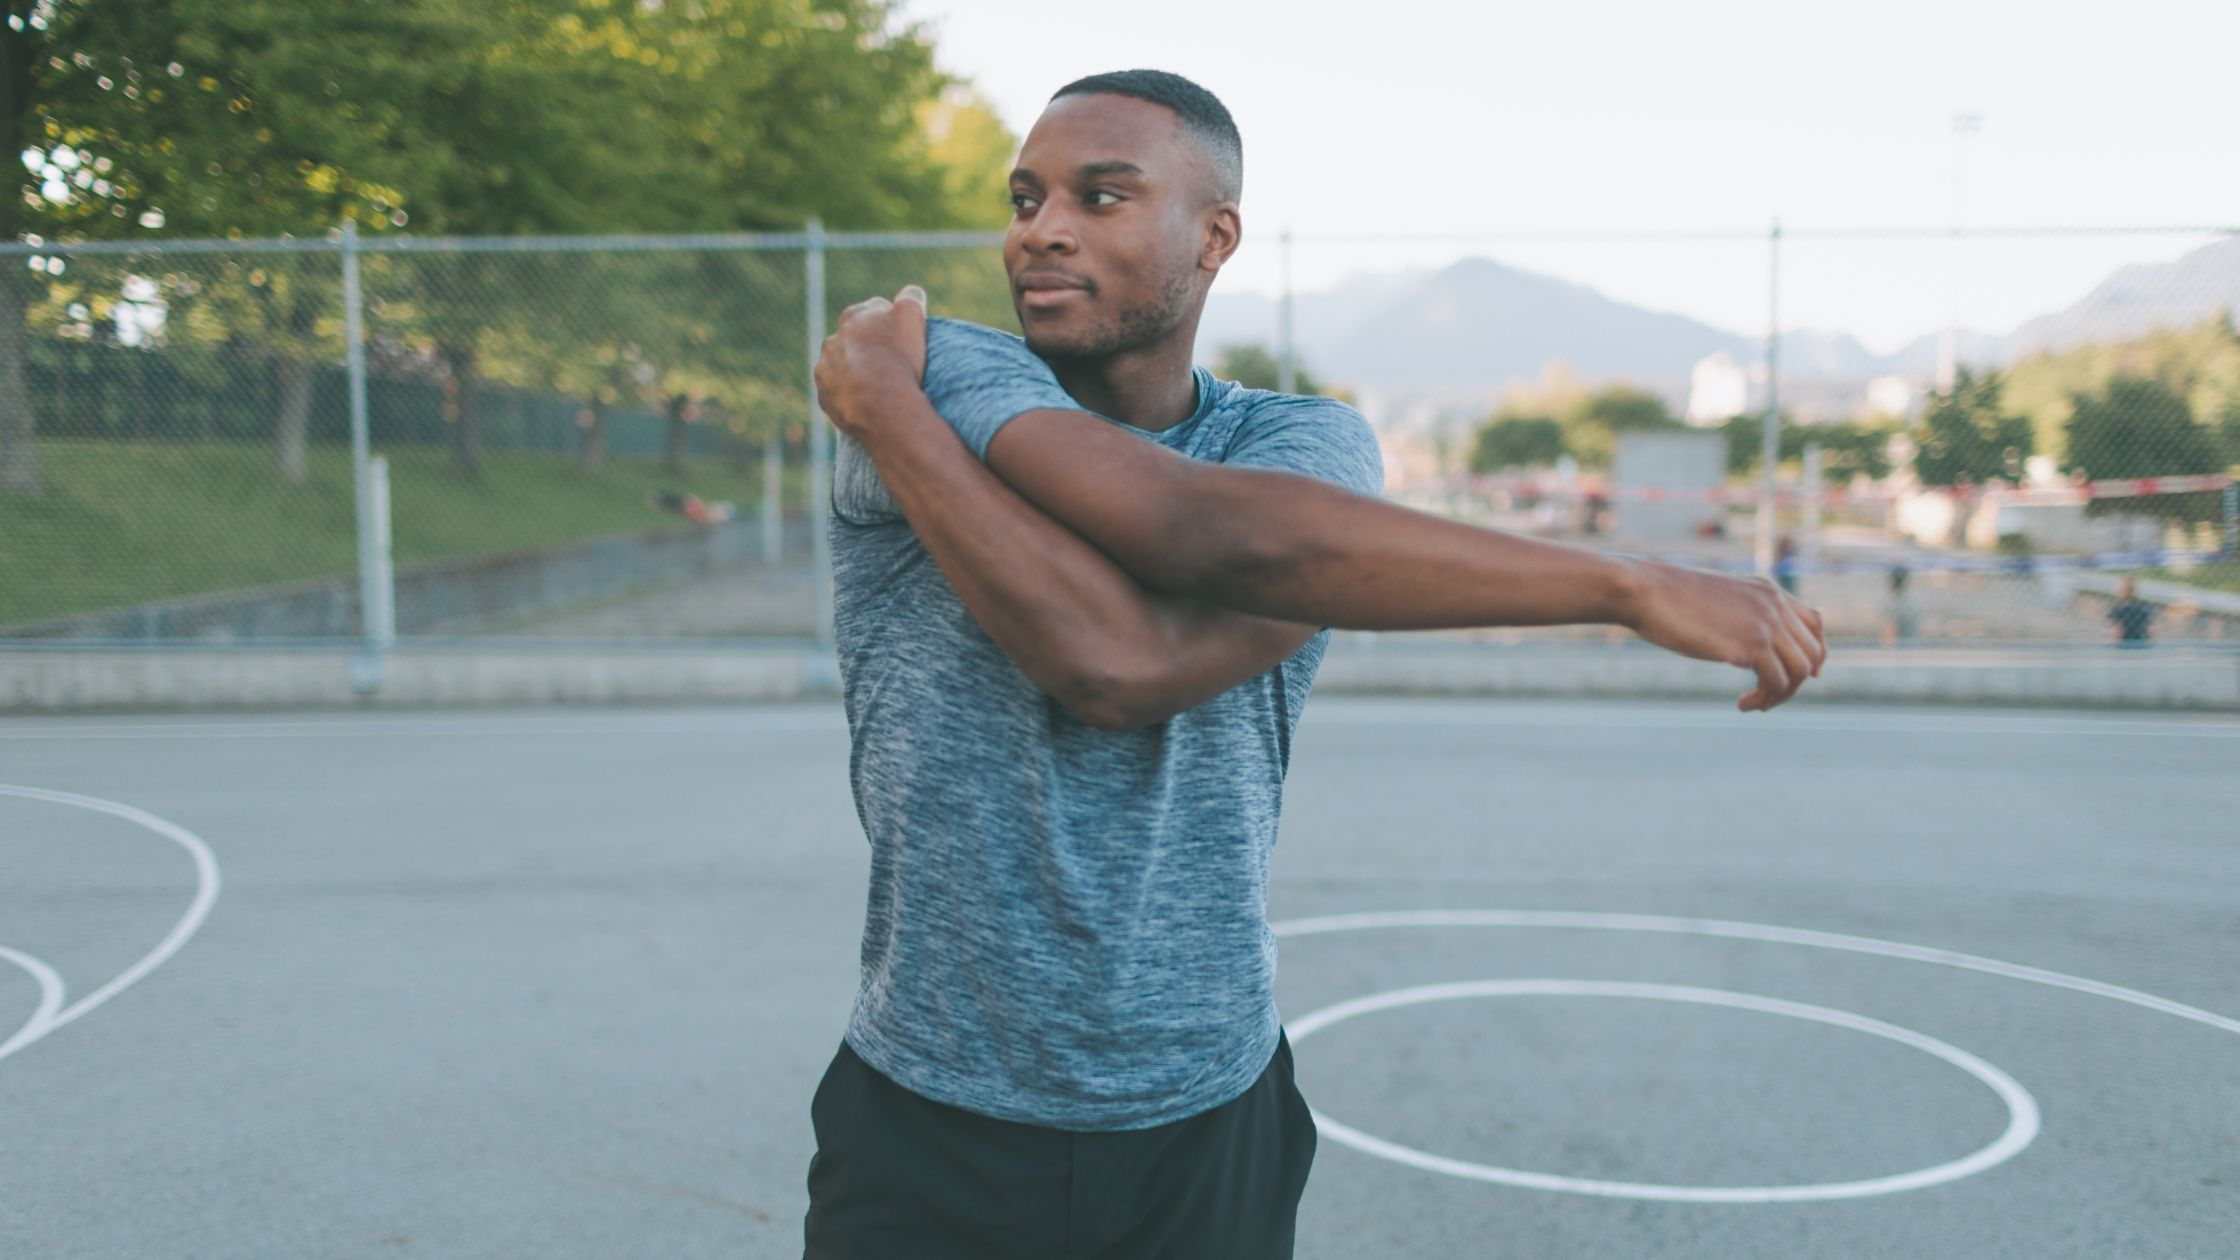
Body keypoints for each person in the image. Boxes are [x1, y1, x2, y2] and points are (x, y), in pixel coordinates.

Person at [802, 69, 1828, 1260]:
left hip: (1210, 1113)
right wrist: (1624, 583)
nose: (1042, 228)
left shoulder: (1297, 450)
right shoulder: (937, 371)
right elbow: (1113, 654)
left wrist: (1628, 580)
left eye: (1102, 195)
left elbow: (1175, 585)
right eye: (1025, 197)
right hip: (931, 1114)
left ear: (1213, 235)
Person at [1881, 562, 1922, 646]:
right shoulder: (1915, 601)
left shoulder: (1890, 603)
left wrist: (1887, 648)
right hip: (1914, 645)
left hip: (1898, 647)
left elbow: (1889, 629)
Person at [2108, 575, 2156, 647]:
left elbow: (2117, 631)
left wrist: (2114, 644)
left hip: (2124, 645)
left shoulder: (2118, 608)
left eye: (2119, 589)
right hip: (2142, 643)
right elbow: (2151, 630)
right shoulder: (2144, 606)